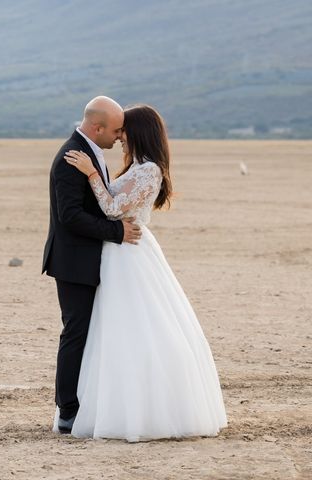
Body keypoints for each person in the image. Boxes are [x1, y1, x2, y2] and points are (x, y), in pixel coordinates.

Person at [55, 104, 227, 442]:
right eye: (117, 130)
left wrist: (92, 173)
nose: (119, 137)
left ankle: (145, 409)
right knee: (111, 331)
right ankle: (96, 405)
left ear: (137, 132)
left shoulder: (149, 171)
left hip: (130, 254)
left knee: (138, 328)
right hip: (114, 253)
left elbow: (113, 208)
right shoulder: (133, 167)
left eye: (123, 130)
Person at [42, 95, 142, 433]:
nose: (119, 136)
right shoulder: (70, 157)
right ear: (96, 127)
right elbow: (70, 216)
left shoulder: (90, 151)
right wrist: (117, 231)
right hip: (73, 262)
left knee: (90, 332)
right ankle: (68, 411)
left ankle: (84, 404)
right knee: (77, 333)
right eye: (115, 130)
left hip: (88, 259)